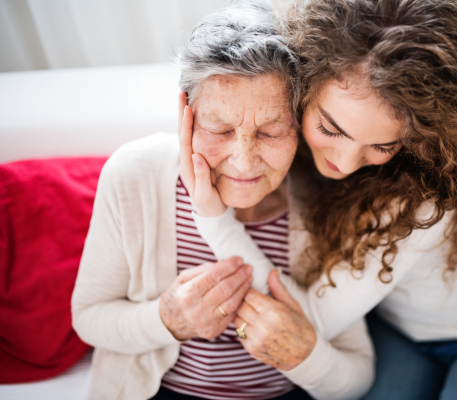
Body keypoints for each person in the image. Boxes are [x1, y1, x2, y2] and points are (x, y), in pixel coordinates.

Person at [183, 1, 457, 399]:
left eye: (382, 144)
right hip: (398, 333)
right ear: (304, 87)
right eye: (330, 128)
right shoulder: (285, 138)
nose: (343, 162)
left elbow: (309, 318)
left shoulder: (424, 199)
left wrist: (213, 218)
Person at [70, 1, 374, 400]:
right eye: (219, 129)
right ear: (187, 116)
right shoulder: (134, 175)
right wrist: (167, 319)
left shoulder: (324, 199)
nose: (244, 162)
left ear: (298, 126)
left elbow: (358, 375)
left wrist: (305, 354)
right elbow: (88, 318)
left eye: (269, 132)